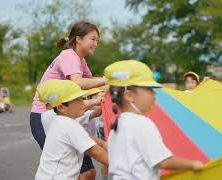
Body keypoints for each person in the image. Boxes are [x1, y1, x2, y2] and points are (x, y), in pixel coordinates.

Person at [30, 21, 107, 179]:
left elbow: (90, 85)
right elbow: (77, 83)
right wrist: (107, 80)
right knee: (66, 169)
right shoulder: (69, 56)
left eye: (97, 40)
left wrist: (106, 94)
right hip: (46, 115)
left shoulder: (80, 60)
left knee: (88, 172)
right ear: (78, 39)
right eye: (93, 39)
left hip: (64, 112)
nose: (96, 44)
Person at [104, 60, 203, 180]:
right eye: (149, 89)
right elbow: (164, 161)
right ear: (129, 96)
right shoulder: (141, 123)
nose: (154, 93)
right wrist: (193, 164)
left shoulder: (118, 125)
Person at [35, 80, 108, 180]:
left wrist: (102, 143)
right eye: (77, 100)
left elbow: (87, 138)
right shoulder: (68, 125)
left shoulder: (62, 121)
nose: (83, 103)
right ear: (61, 107)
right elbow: (96, 152)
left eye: (82, 99)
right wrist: (121, 165)